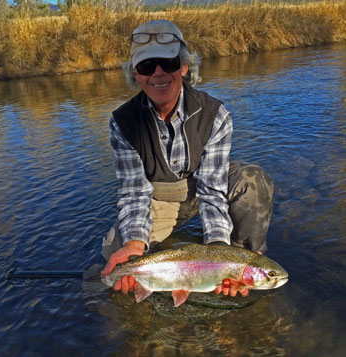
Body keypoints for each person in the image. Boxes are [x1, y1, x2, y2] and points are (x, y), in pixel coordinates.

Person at [101, 19, 275, 301]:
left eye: (167, 63)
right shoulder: (123, 123)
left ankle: (246, 259)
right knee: (115, 258)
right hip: (159, 198)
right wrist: (134, 241)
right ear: (136, 74)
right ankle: (161, 267)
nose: (158, 74)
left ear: (184, 66)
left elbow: (212, 190)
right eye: (147, 66)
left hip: (203, 189)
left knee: (253, 181)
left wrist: (222, 256)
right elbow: (135, 193)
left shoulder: (215, 115)